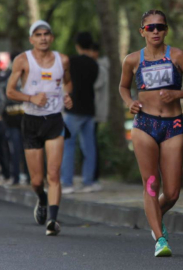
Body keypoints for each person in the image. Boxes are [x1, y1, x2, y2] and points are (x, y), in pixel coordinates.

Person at [119, 10, 183, 257]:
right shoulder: (133, 60)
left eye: (160, 27)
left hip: (172, 125)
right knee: (151, 184)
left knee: (173, 192)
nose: (155, 31)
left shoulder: (176, 55)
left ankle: (154, 215)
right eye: (150, 27)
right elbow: (124, 86)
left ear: (166, 30)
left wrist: (178, 94)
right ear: (141, 31)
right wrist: (129, 102)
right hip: (144, 124)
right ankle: (160, 238)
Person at [6, 20, 73, 236]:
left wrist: (68, 96)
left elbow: (68, 83)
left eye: (46, 34)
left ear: (51, 37)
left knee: (53, 174)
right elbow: (10, 91)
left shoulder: (62, 60)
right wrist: (31, 98)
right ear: (31, 39)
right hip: (32, 122)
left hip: (54, 120)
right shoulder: (22, 60)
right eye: (38, 34)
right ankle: (42, 199)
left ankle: (52, 220)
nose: (43, 38)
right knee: (37, 181)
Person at [61, 32, 99, 194]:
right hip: (89, 109)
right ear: (90, 45)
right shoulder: (94, 64)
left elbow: (64, 80)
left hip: (73, 109)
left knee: (68, 145)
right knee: (89, 147)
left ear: (77, 46)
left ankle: (67, 183)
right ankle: (88, 182)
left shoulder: (71, 62)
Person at [3, 52, 30, 186]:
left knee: (26, 149)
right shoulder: (9, 76)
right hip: (15, 119)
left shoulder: (28, 75)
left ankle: (25, 177)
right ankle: (18, 177)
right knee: (18, 149)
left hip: (22, 119)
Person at [90, 42, 109, 183]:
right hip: (89, 111)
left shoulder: (100, 68)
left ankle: (94, 176)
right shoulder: (97, 67)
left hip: (94, 112)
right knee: (90, 143)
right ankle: (92, 175)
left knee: (91, 144)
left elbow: (94, 86)